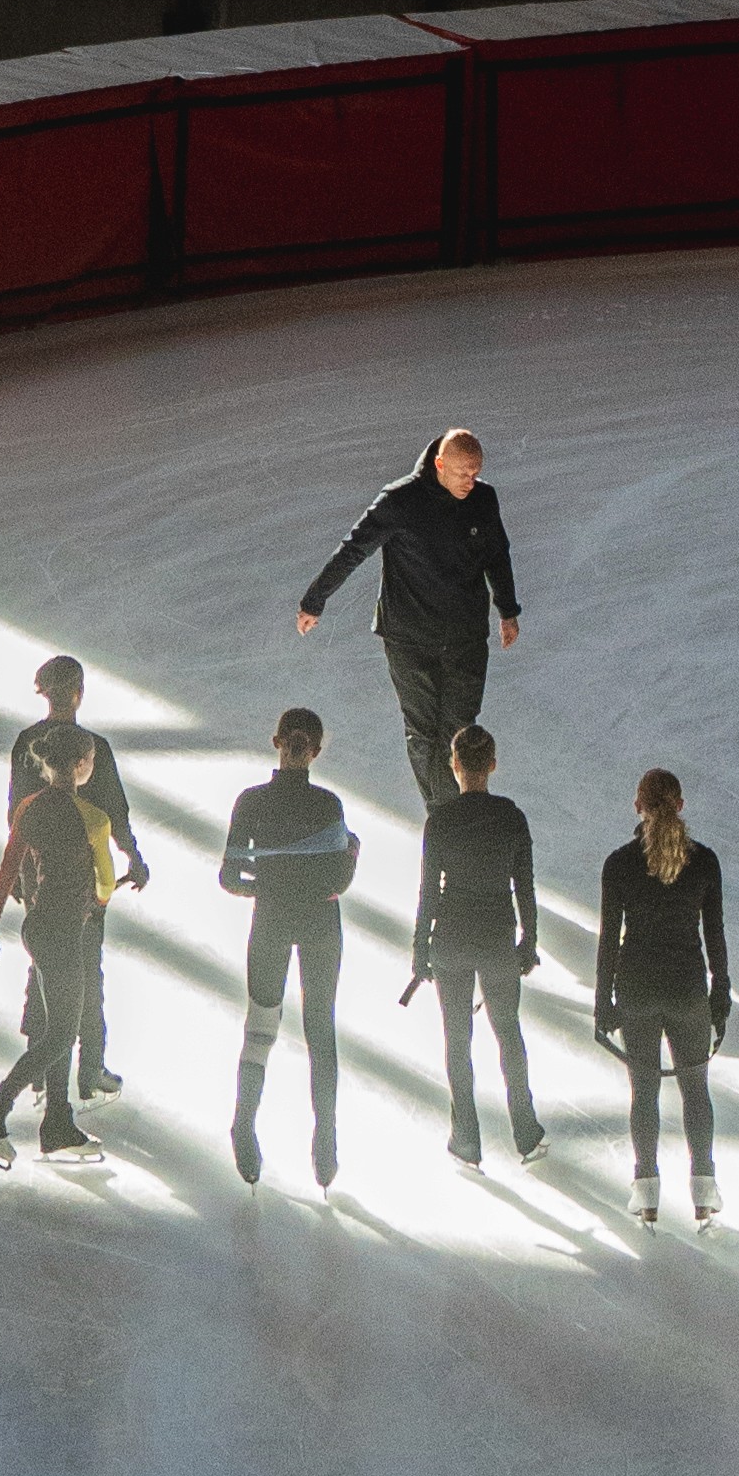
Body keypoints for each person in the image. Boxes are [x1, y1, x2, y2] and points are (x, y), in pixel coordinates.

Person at [294, 426, 521, 806]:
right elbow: (354, 550)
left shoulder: (484, 500)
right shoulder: (400, 501)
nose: (471, 481)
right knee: (422, 731)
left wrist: (508, 610)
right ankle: (445, 816)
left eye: (476, 473)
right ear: (439, 464)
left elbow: (497, 554)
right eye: (463, 473)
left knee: (458, 728)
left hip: (465, 636)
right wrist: (315, 600)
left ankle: (445, 818)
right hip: (408, 638)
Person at [0, 654, 147, 1099]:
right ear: (78, 693)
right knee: (84, 972)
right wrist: (134, 857)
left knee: (44, 968)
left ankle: (39, 1065)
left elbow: (15, 810)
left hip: (36, 870)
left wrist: (19, 874)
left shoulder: (26, 743)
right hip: (83, 883)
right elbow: (115, 812)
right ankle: (89, 1070)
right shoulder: (94, 747)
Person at [218, 703, 359, 1188]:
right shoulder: (328, 806)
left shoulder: (251, 802)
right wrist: (350, 855)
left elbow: (229, 876)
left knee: (260, 1027)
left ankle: (244, 1125)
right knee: (320, 1030)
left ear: (276, 742)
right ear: (316, 752)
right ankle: (326, 1140)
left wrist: (270, 884)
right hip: (321, 925)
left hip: (272, 919)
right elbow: (339, 878)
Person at [591, 767, 734, 1223]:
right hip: (688, 988)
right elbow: (716, 937)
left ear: (638, 807)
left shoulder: (619, 864)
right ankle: (705, 1192)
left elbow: (608, 940)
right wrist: (721, 997)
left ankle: (647, 1192)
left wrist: (602, 1004)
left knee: (645, 1092)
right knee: (696, 1091)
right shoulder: (705, 862)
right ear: (681, 805)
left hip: (636, 989)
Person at [407, 716, 546, 1165]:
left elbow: (428, 891)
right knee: (509, 1034)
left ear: (454, 765)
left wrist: (419, 950)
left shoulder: (440, 820)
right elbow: (524, 886)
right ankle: (525, 1130)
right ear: (492, 764)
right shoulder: (511, 817)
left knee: (457, 1038)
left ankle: (466, 1137)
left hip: (450, 937)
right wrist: (529, 942)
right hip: (497, 939)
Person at [0, 765, 106, 1167]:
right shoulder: (88, 815)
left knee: (59, 1028)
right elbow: (104, 886)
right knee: (61, 1035)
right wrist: (98, 898)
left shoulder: (29, 807)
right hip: (62, 934)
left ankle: (57, 1122)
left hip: (37, 928)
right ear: (80, 768)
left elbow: (8, 868)